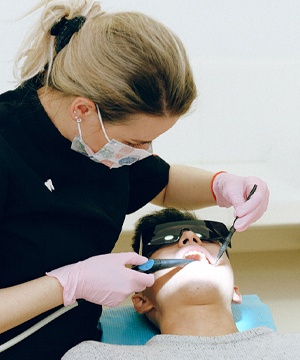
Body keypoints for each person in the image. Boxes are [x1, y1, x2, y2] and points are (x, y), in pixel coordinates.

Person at [0, 0, 269, 358]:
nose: (144, 152)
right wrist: (67, 284)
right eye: (135, 142)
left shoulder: (98, 141)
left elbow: (160, 181)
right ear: (82, 110)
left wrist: (220, 186)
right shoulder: (8, 148)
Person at [62, 208, 300, 360]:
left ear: (236, 292)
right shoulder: (93, 357)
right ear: (142, 299)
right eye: (165, 238)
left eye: (207, 236)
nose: (191, 238)